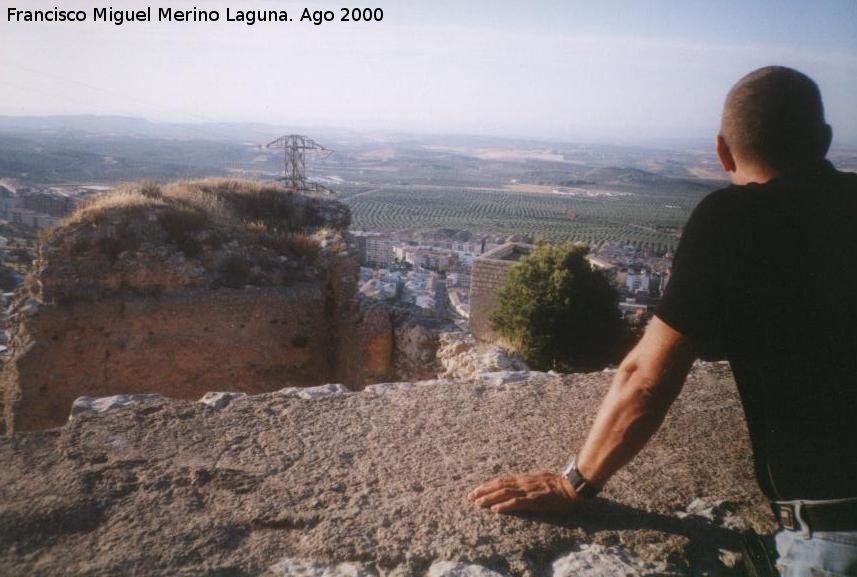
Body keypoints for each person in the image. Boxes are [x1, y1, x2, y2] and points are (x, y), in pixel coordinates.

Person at [468, 66, 857, 576]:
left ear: (721, 151)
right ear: (825, 141)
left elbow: (645, 379)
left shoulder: (732, 219)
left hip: (834, 528)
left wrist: (573, 483)